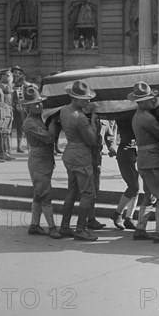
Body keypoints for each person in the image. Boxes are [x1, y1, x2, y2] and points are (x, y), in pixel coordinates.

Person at [130, 82, 159, 242]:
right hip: (153, 159)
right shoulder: (147, 118)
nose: (153, 101)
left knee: (149, 194)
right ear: (141, 102)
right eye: (149, 99)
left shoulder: (137, 116)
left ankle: (140, 228)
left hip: (143, 158)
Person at [58, 80, 99, 241]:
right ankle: (80, 229)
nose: (88, 101)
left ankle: (64, 226)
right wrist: (94, 121)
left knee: (72, 191)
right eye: (85, 99)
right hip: (81, 156)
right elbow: (91, 140)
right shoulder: (81, 118)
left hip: (69, 154)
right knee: (88, 193)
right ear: (75, 98)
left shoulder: (64, 110)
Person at [20, 86, 62, 239]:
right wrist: (52, 122)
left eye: (40, 103)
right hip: (38, 160)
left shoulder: (39, 118)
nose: (40, 106)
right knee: (46, 193)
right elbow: (48, 137)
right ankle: (52, 227)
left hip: (45, 158)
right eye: (35, 104)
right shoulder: (29, 123)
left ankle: (34, 225)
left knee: (39, 193)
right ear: (27, 106)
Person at [108, 112, 139, 230]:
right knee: (133, 187)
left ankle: (129, 217)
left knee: (135, 187)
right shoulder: (127, 114)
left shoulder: (131, 113)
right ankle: (117, 213)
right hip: (126, 152)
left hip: (133, 151)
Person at [11, 65, 31, 153]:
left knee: (24, 126)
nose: (17, 75)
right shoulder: (9, 84)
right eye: (15, 73)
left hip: (23, 108)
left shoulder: (25, 84)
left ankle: (24, 145)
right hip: (11, 108)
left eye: (19, 73)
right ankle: (7, 147)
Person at [0, 69, 16, 161]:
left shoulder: (8, 86)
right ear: (2, 77)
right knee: (3, 133)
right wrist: (11, 82)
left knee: (7, 133)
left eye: (9, 76)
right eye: (7, 76)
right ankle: (2, 153)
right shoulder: (1, 86)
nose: (9, 78)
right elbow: (7, 91)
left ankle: (6, 152)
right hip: (3, 113)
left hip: (9, 111)